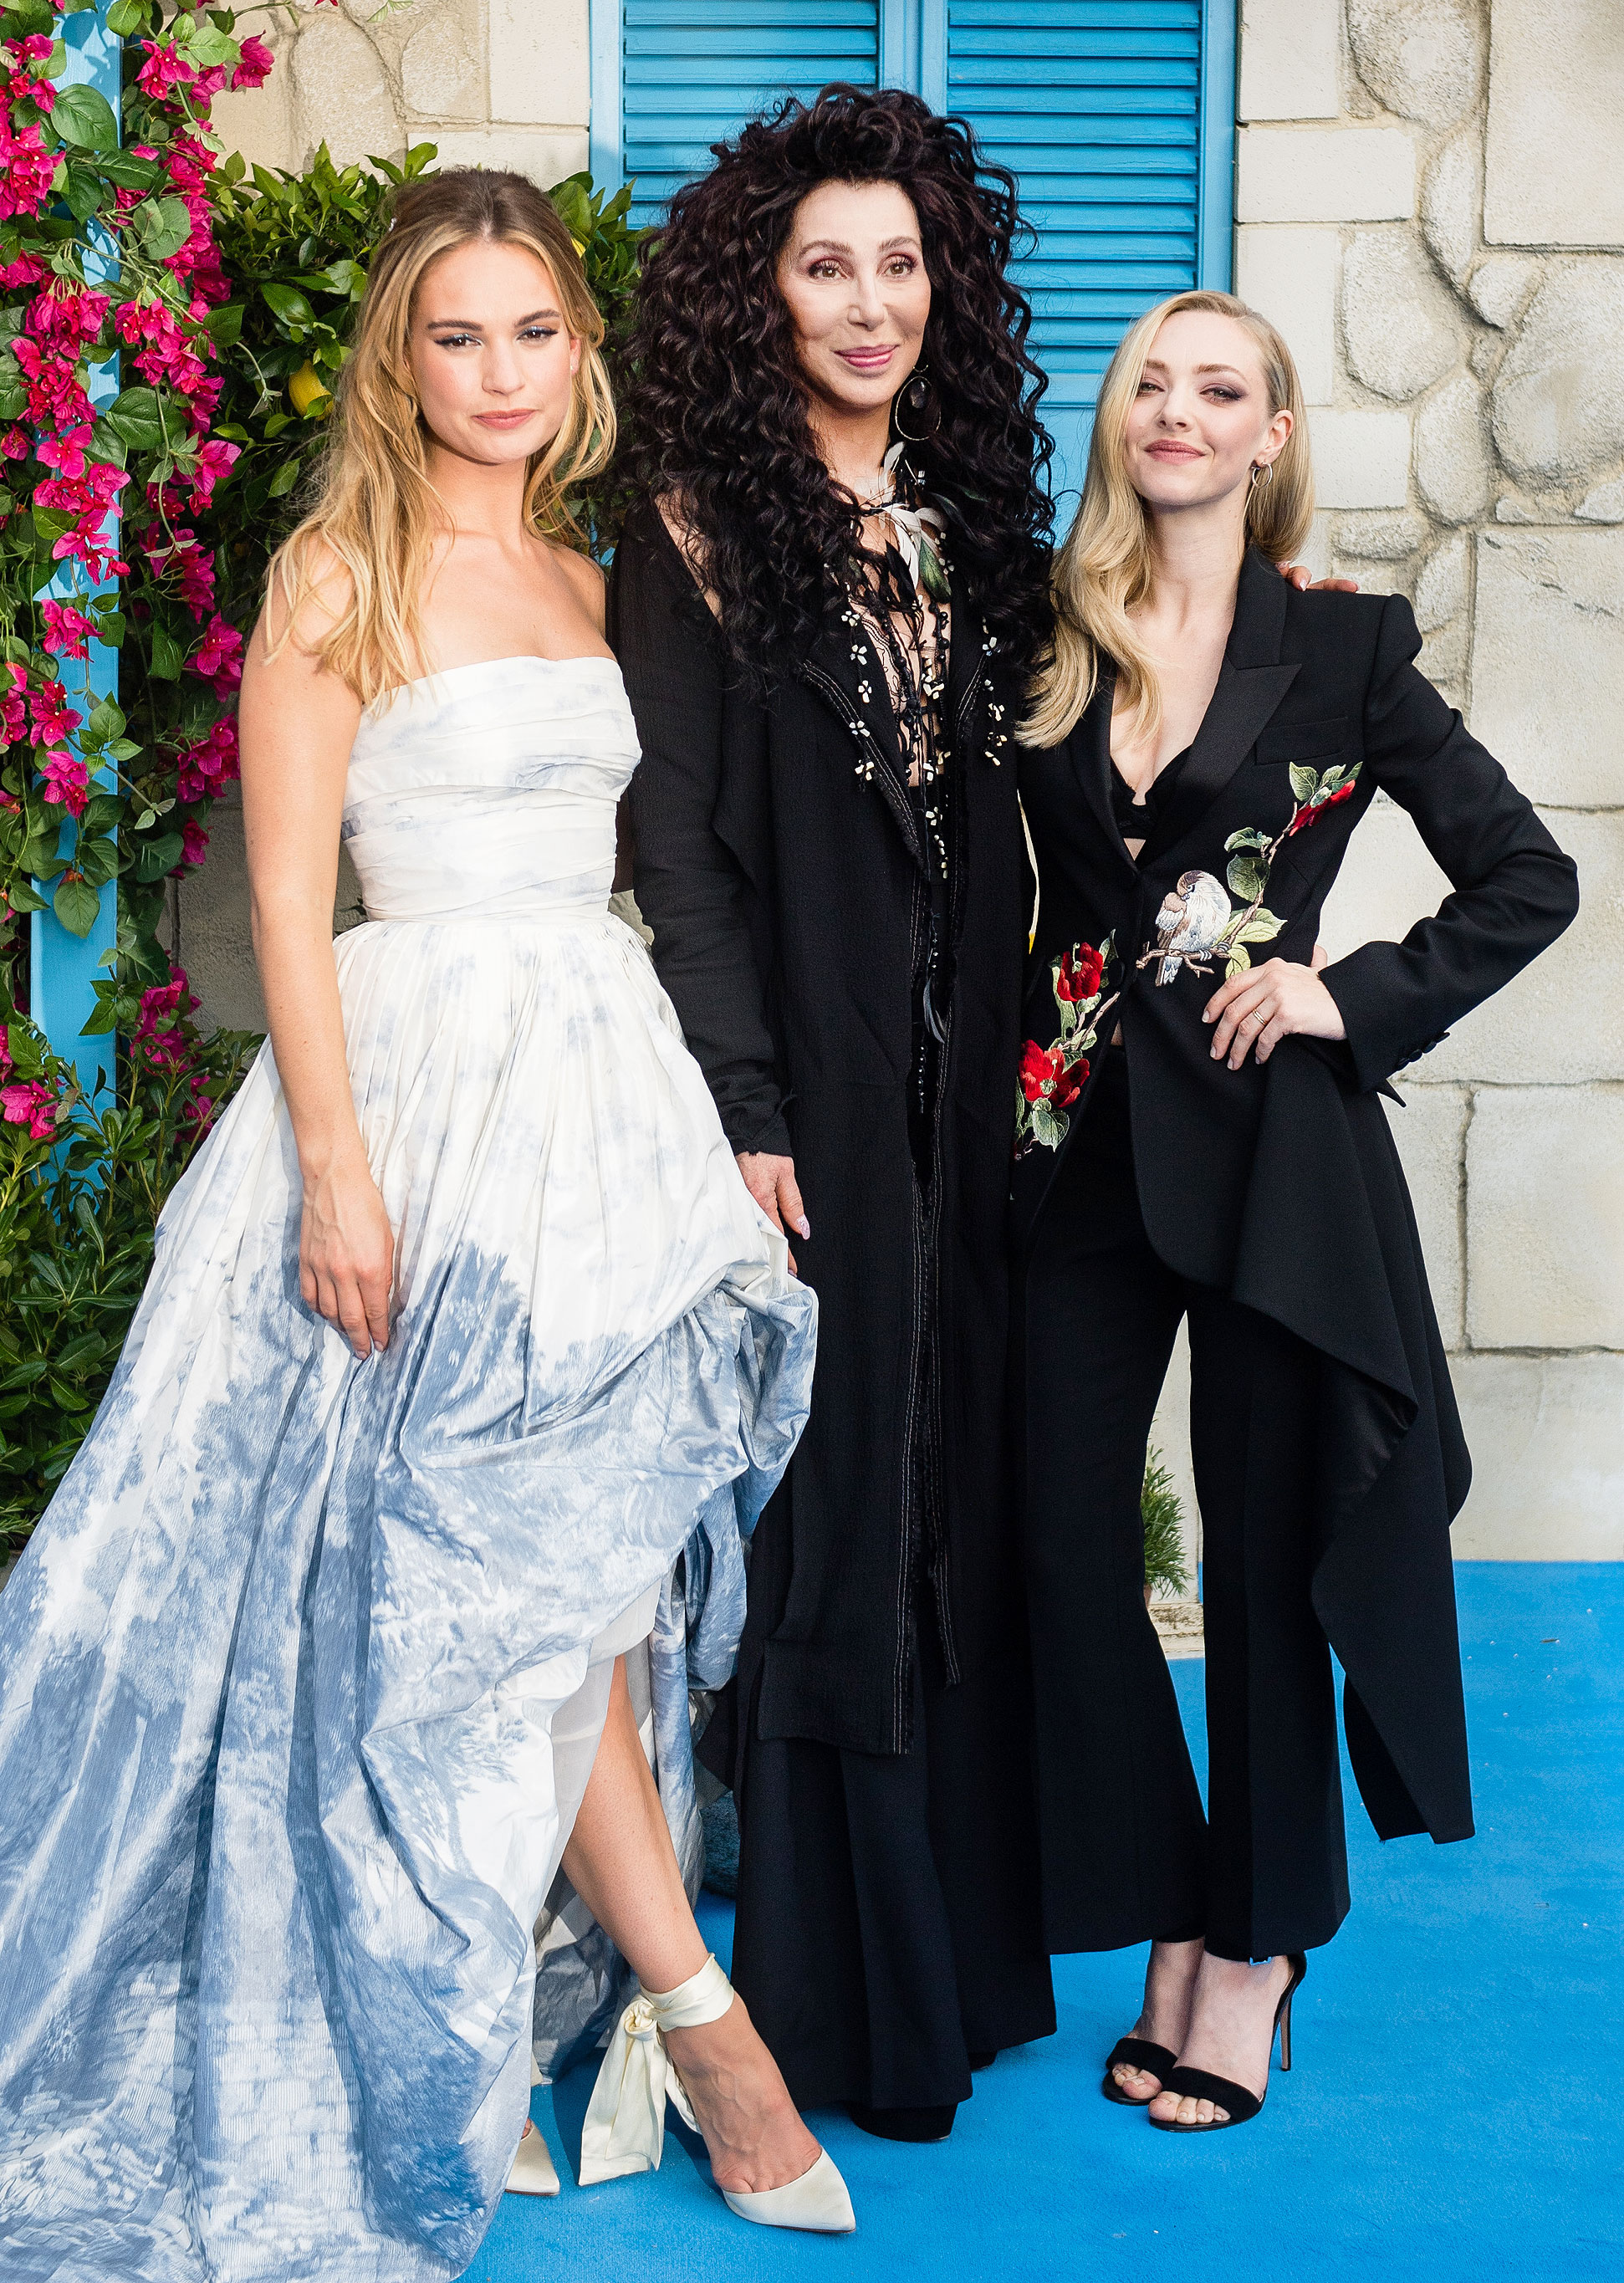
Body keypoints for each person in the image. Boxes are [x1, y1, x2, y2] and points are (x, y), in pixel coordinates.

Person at [0, 169, 854, 2283]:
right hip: (415, 1099)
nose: (498, 372)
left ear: (579, 354)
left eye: (533, 333)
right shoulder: (334, 569)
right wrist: (342, 1174)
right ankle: (701, 2023)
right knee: (496, 1567)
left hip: (600, 1076)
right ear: (404, 358)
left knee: (571, 1562)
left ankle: (578, 2015)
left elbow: (670, 850)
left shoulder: (598, 569)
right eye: (456, 335)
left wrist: (730, 1113)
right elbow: (287, 907)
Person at [1013, 289, 1580, 2132]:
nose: (1177, 412)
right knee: (1046, 1529)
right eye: (1149, 385)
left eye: (1219, 390)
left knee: (1262, 1566)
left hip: (1270, 1158)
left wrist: (1356, 991)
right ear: (1118, 425)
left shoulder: (1339, 649)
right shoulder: (1041, 635)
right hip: (1065, 1149)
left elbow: (1526, 875)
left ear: (1268, 438)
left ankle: (1249, 1951)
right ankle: (1169, 1894)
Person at [611, 86, 1060, 2140]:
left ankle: (955, 1967)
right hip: (807, 1092)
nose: (867, 302)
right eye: (824, 266)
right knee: (834, 1502)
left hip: (973, 1099)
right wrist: (747, 1099)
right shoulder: (697, 529)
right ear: (758, 297)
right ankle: (824, 1992)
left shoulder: (976, 527)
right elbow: (680, 853)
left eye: (898, 264)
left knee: (954, 1478)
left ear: (936, 288)